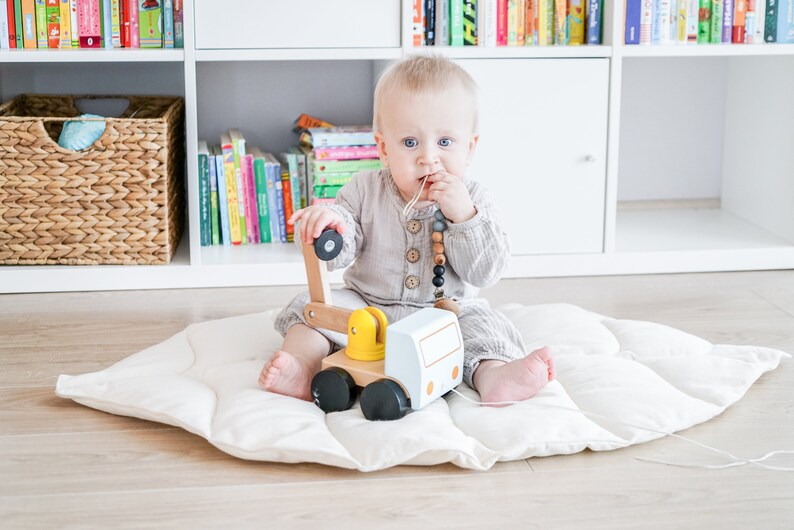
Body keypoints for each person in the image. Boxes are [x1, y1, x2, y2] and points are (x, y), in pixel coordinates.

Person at [259, 54, 554, 407]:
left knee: (486, 326)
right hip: (368, 310)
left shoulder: (475, 198)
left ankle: (494, 376)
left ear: (470, 147)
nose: (428, 157)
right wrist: (329, 225)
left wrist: (464, 216)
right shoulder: (364, 189)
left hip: (447, 313)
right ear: (384, 148)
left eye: (445, 142)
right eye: (410, 143)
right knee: (311, 307)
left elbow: (486, 271)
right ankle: (303, 368)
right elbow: (343, 244)